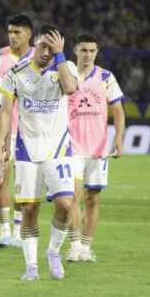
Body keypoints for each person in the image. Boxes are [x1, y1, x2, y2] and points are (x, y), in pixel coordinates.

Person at [0, 24, 78, 282]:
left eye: (52, 47)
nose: (46, 51)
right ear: (34, 44)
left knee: (65, 204)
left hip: (59, 149)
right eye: (43, 46)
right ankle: (31, 265)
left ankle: (53, 252)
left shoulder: (66, 67)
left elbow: (71, 88)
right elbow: (6, 112)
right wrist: (0, 144)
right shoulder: (16, 73)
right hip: (27, 149)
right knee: (29, 209)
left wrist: (60, 55)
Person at [64, 34, 125, 263]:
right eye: (83, 50)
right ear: (75, 50)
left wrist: (118, 138)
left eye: (92, 50)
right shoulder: (66, 76)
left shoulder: (106, 77)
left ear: (97, 52)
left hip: (98, 148)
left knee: (92, 199)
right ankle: (74, 244)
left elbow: (118, 109)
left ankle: (87, 247)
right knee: (72, 197)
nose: (87, 54)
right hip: (72, 148)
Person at [0, 13, 36, 250]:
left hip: (31, 131)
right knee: (0, 179)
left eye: (17, 32)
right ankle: (5, 231)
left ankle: (18, 231)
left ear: (29, 34)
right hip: (4, 128)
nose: (13, 36)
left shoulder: (39, 57)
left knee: (24, 185)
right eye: (10, 32)